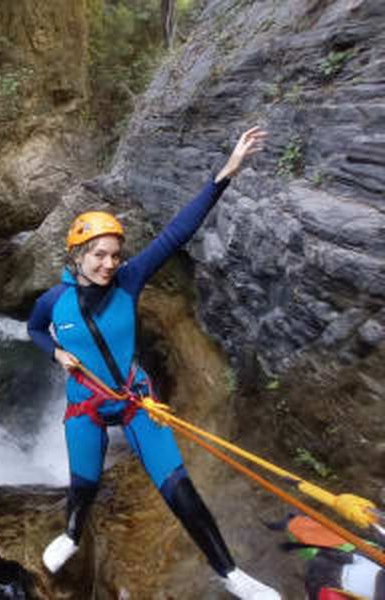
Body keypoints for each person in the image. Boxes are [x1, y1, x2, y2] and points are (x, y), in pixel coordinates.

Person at [27, 127, 280, 599]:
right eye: (98, 255)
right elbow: (34, 332)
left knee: (180, 489)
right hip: (85, 406)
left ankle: (230, 574)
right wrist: (56, 351)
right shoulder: (51, 303)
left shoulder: (129, 280)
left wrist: (226, 172)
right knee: (83, 484)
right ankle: (71, 535)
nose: (108, 263)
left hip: (134, 400)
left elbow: (177, 231)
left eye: (114, 254)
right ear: (77, 255)